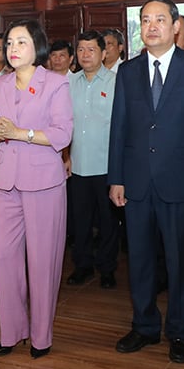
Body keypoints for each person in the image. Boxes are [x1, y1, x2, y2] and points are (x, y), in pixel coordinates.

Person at [108, 0, 184, 364]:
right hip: (137, 181)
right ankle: (144, 326)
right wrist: (117, 177)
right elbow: (119, 128)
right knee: (139, 259)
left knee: (180, 261)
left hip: (182, 180)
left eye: (159, 19)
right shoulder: (127, 71)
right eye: (145, 19)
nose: (151, 25)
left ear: (176, 26)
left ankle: (179, 331)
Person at [0, 19, 72, 359]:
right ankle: (11, 332)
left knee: (42, 260)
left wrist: (20, 133)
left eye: (21, 42)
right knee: (3, 256)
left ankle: (40, 337)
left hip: (43, 182)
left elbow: (62, 134)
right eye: (9, 44)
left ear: (38, 47)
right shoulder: (0, 84)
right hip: (7, 181)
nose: (13, 49)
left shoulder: (55, 85)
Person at [66, 30, 119, 288]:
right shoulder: (67, 83)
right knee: (80, 220)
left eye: (91, 50)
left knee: (108, 222)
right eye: (81, 49)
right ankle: (83, 266)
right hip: (76, 165)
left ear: (104, 53)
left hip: (107, 165)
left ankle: (107, 268)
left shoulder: (116, 82)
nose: (85, 55)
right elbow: (61, 125)